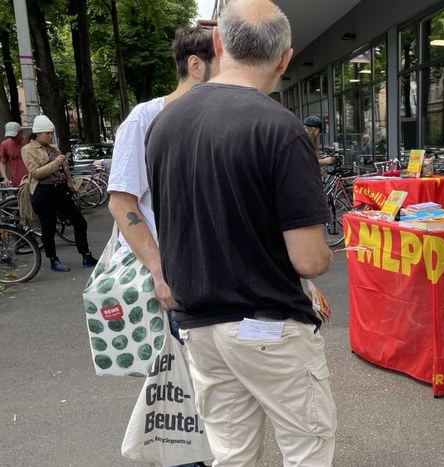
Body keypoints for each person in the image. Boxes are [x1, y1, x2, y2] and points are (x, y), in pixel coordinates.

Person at [145, 1, 336, 465]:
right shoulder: (280, 129)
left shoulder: (164, 125)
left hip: (200, 327)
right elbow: (308, 260)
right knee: (306, 446)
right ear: (285, 58)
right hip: (267, 324)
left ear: (217, 44)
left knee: (231, 453)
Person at [108, 26, 216, 314]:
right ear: (196, 65)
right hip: (172, 278)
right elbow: (121, 202)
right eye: (222, 67)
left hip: (216, 274)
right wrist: (159, 272)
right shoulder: (143, 120)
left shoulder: (218, 119)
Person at [21, 115, 97, 272]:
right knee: (48, 227)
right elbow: (35, 173)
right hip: (43, 191)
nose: (49, 136)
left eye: (50, 133)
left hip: (59, 189)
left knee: (79, 221)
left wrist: (68, 179)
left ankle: (86, 255)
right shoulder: (28, 150)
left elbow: (64, 169)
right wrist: (55, 164)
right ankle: (53, 260)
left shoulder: (53, 148)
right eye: (46, 133)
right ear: (37, 133)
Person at [0, 122, 27, 187]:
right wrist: (5, 178)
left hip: (31, 182)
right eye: (10, 136)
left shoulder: (30, 142)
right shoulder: (5, 144)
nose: (13, 138)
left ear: (21, 132)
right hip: (16, 183)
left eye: (15, 136)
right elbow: (2, 163)